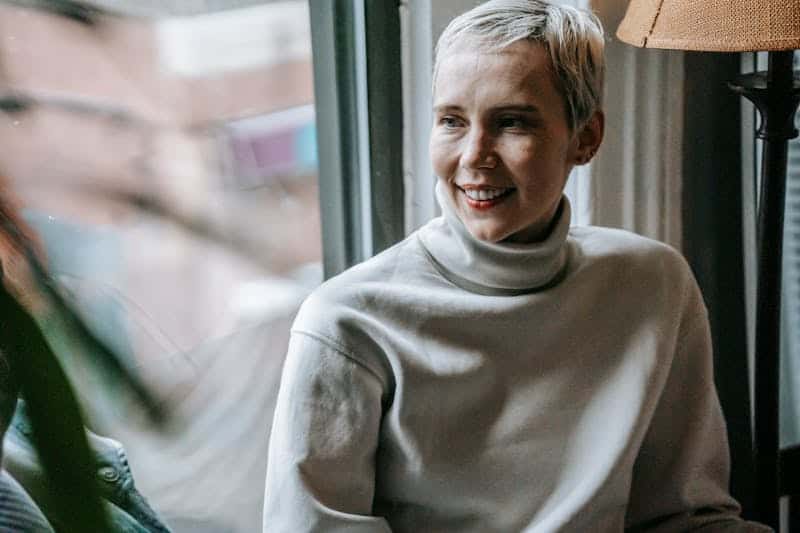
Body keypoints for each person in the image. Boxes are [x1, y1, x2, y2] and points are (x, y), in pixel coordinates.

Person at [262, 1, 770, 531]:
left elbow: (688, 518)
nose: (475, 155)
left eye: (511, 122)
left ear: (586, 138)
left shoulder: (652, 284)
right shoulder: (346, 322)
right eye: (452, 121)